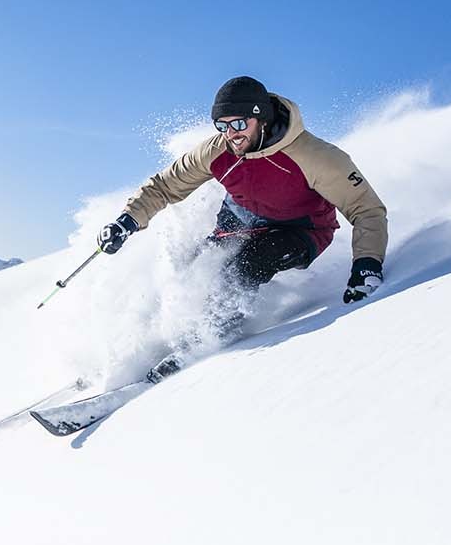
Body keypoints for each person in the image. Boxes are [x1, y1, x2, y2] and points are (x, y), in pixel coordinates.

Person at [96, 76, 388, 369]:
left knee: (248, 264)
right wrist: (128, 220)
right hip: (239, 221)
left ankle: (205, 337)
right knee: (191, 269)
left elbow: (366, 208)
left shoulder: (313, 156)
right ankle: (151, 345)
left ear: (261, 118)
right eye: (222, 126)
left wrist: (367, 263)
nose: (231, 134)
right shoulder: (216, 151)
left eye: (238, 124)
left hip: (300, 229)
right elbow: (164, 185)